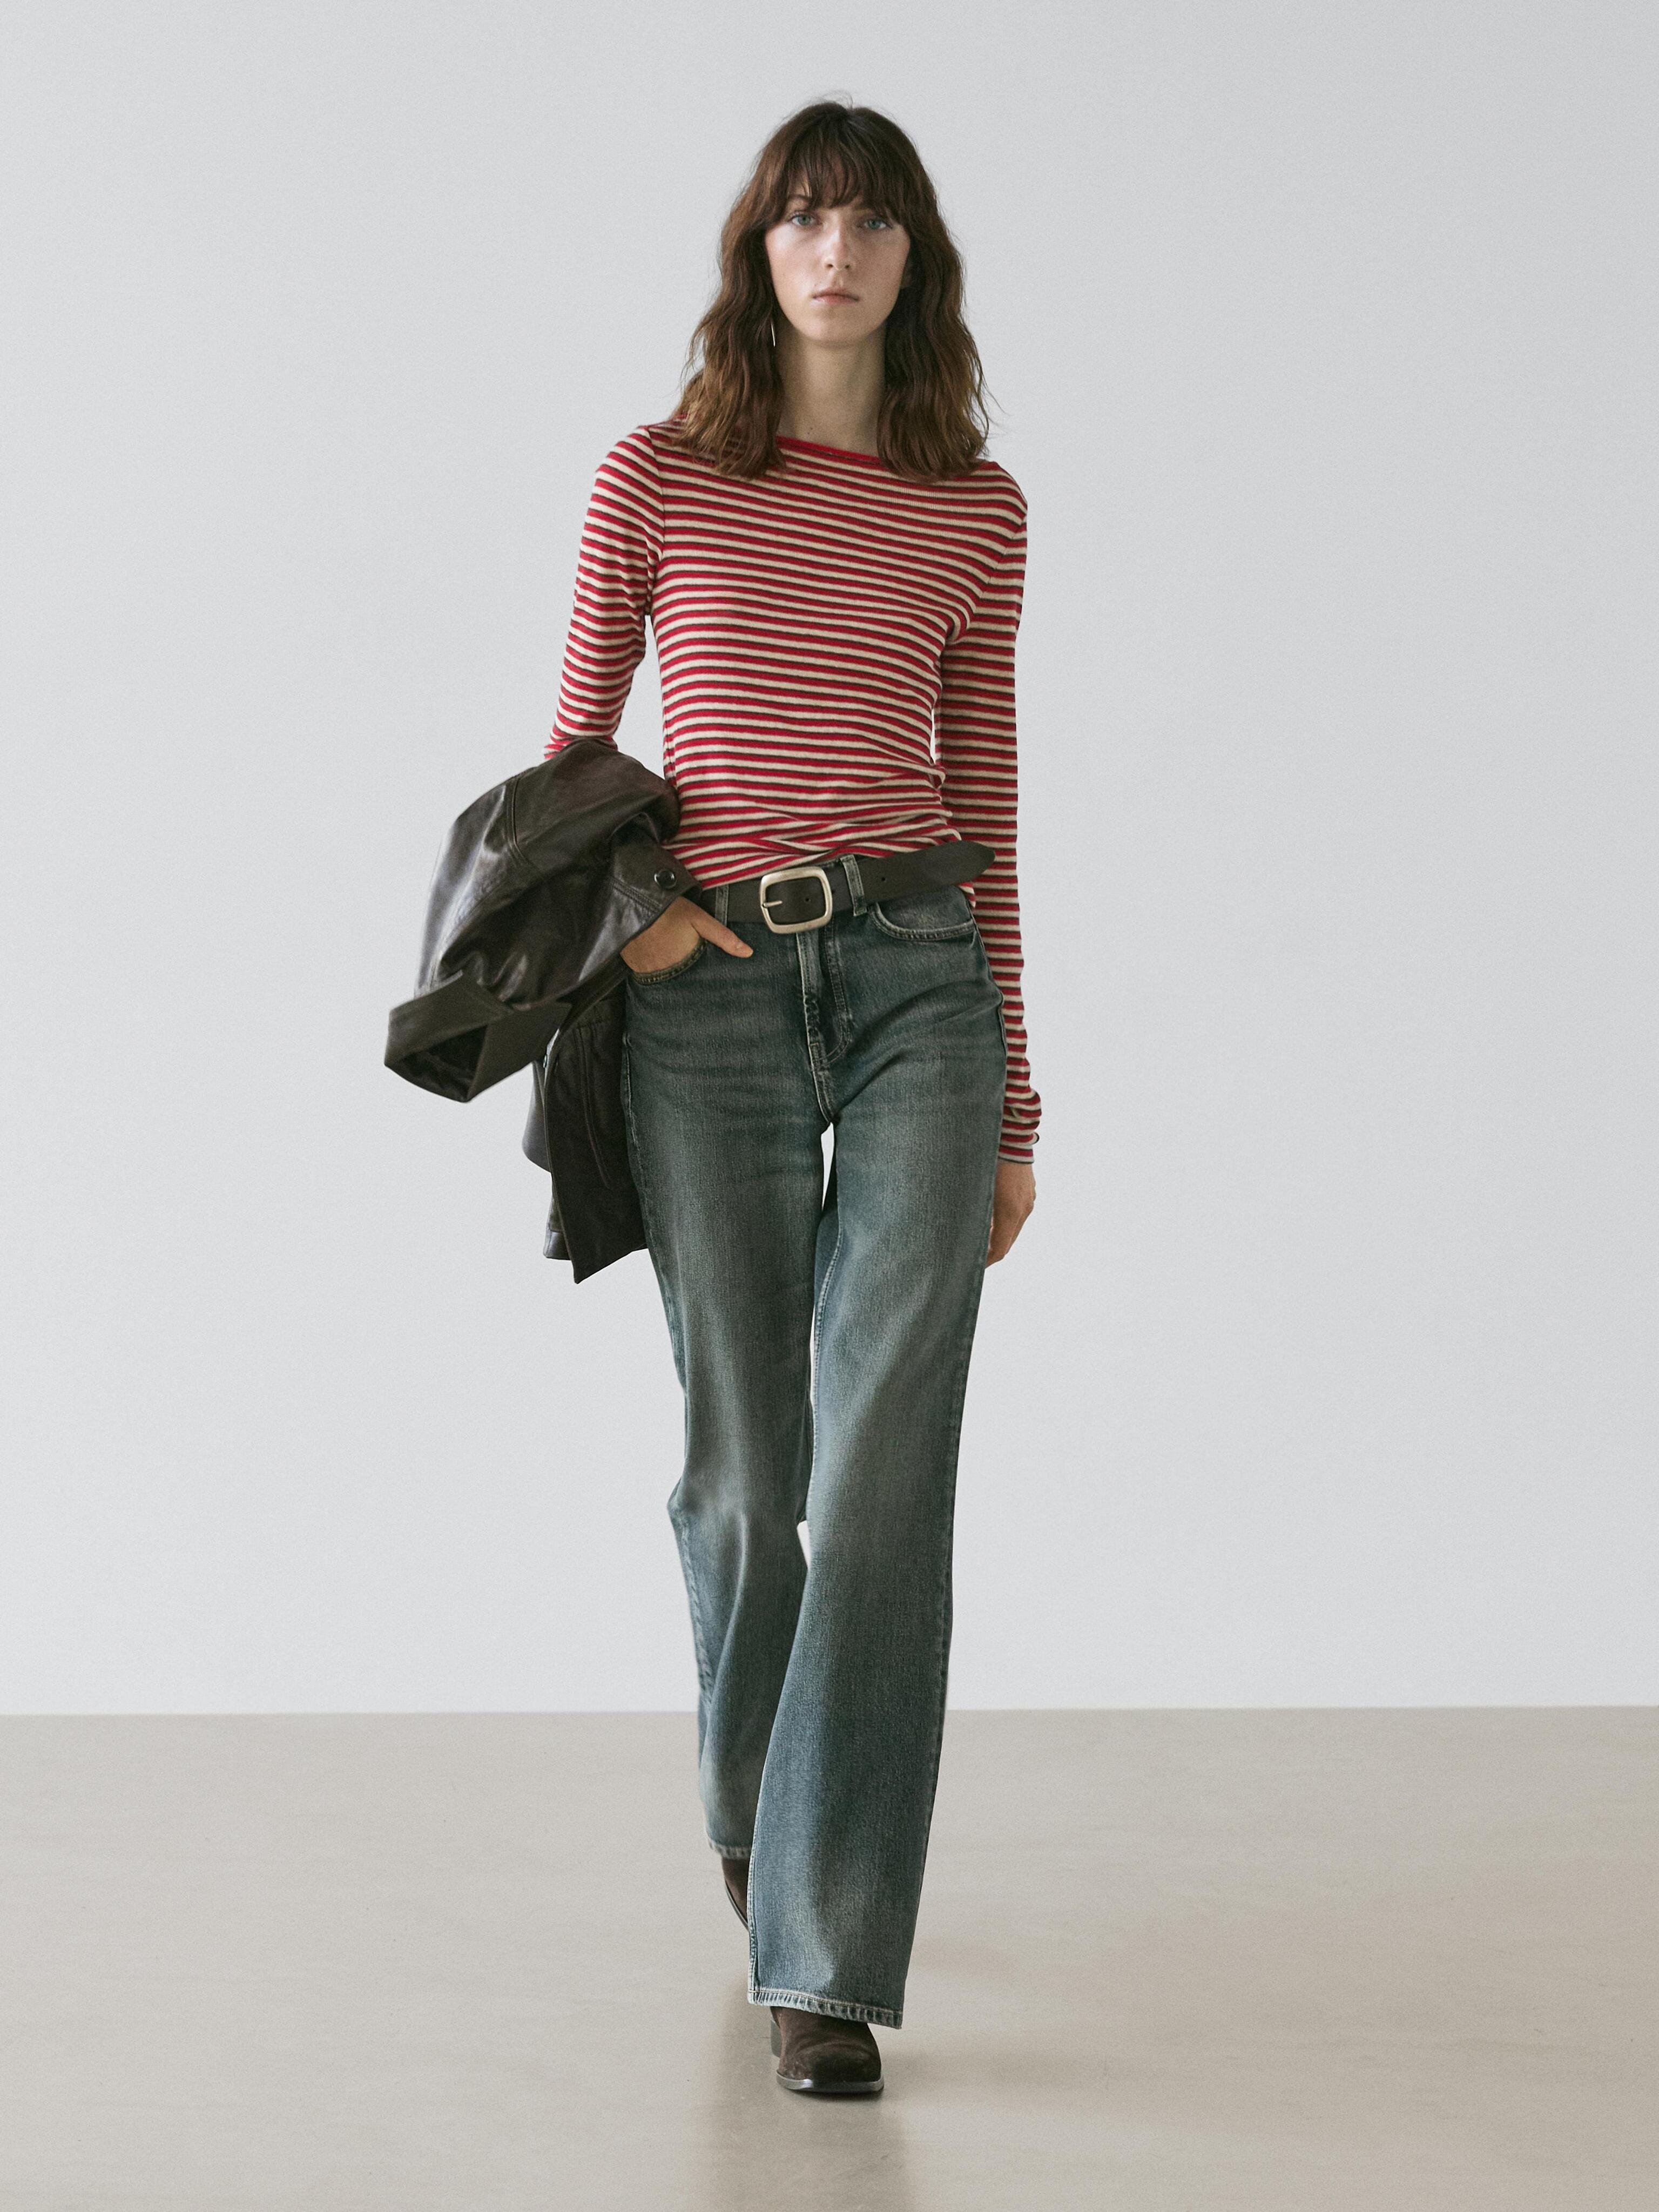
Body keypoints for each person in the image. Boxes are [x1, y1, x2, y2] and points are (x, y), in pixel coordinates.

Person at [544, 99, 1039, 2095]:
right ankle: (758, 1803)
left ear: (917, 260)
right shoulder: (659, 477)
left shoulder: (976, 509)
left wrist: (1021, 1100)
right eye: (804, 218)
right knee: (751, 1477)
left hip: (922, 984)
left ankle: (823, 1956)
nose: (837, 250)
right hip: (712, 1002)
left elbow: (991, 801)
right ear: (760, 253)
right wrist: (648, 923)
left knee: (888, 1465)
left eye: (873, 222)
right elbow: (569, 764)